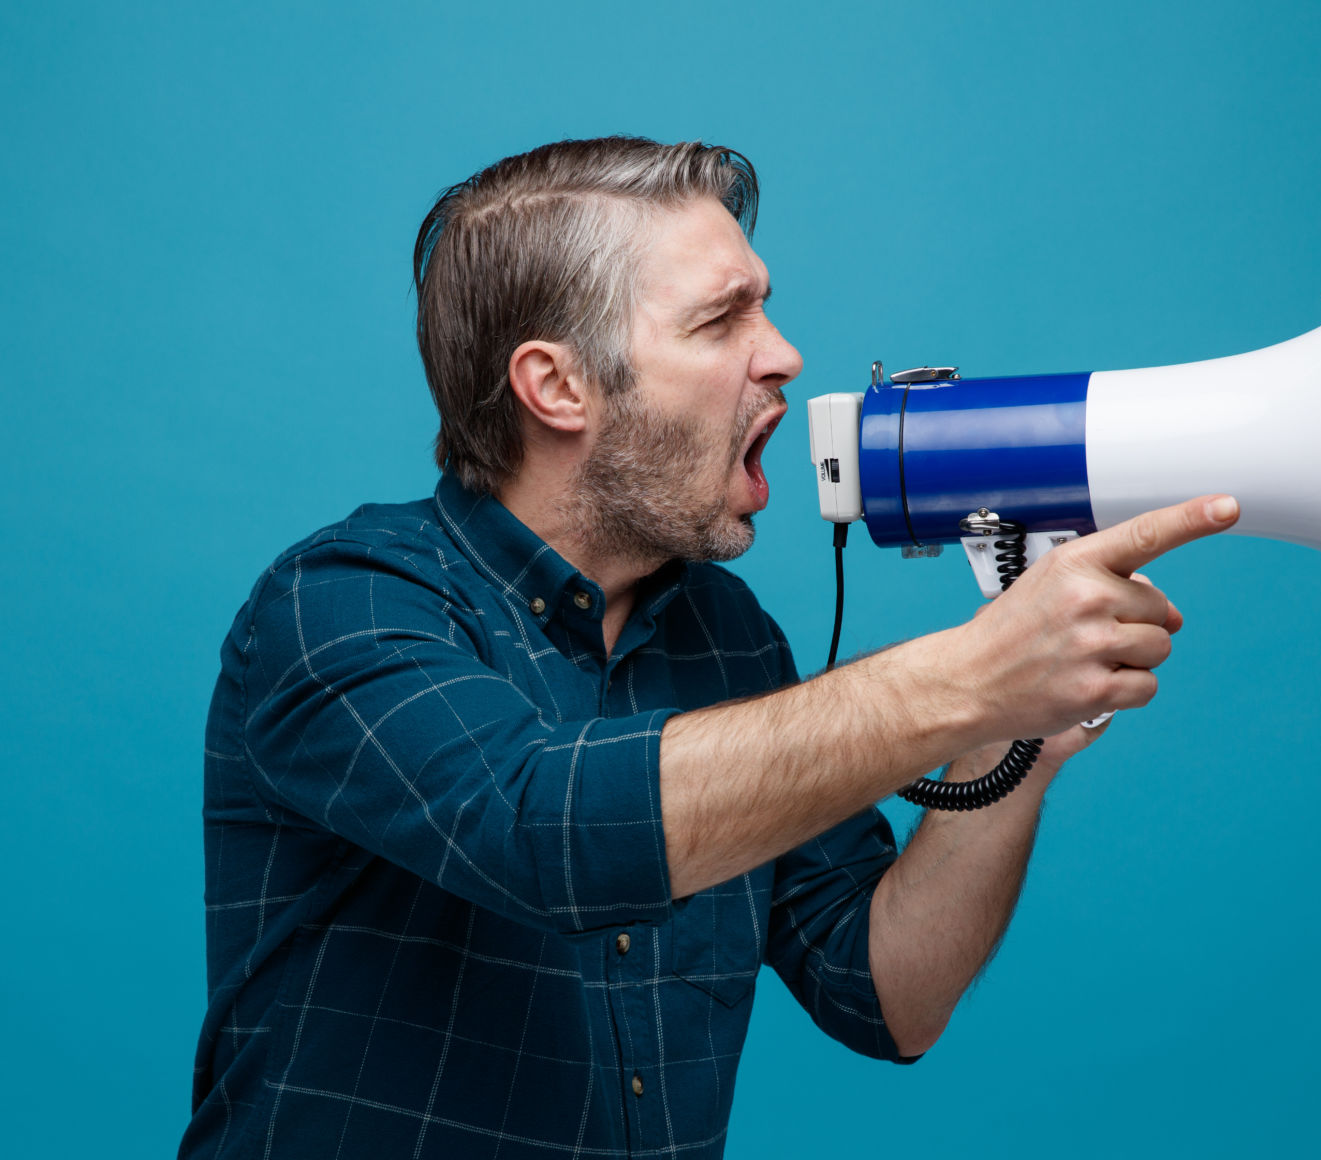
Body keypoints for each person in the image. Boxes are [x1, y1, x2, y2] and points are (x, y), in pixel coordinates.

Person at [179, 137, 1238, 1159]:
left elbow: (887, 990)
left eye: (764, 305)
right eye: (722, 318)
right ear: (559, 387)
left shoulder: (726, 637)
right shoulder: (343, 606)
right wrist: (967, 675)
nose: (782, 354)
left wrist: (1016, 733)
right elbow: (536, 825)